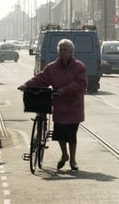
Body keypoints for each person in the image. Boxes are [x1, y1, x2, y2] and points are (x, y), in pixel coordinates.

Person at [18, 38, 87, 171]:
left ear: (71, 52)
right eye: (60, 50)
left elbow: (82, 84)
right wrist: (26, 85)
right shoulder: (52, 67)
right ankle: (64, 155)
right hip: (59, 105)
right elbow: (41, 78)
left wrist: (65, 89)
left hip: (74, 106)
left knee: (72, 135)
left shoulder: (79, 67)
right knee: (60, 134)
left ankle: (73, 160)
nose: (62, 52)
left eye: (65, 50)